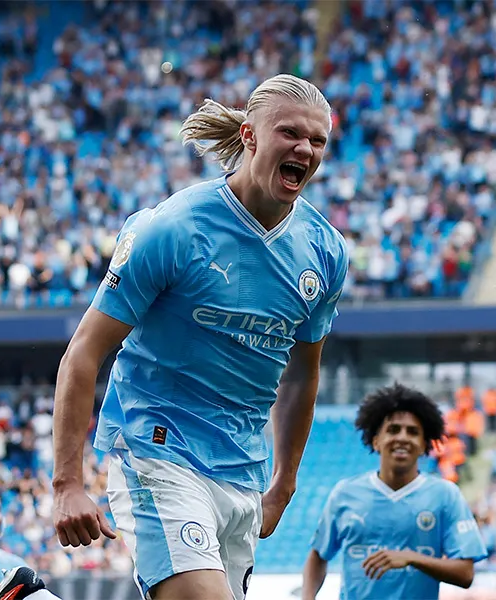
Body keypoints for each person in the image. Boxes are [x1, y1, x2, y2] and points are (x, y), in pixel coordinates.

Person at [47, 73, 348, 600]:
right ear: (250, 135)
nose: (305, 148)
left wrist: (284, 481)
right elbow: (84, 353)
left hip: (244, 473)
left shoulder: (326, 252)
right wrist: (68, 482)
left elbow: (303, 375)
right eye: (290, 133)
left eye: (317, 140)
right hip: (159, 446)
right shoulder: (173, 228)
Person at [302, 384, 488, 600]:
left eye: (413, 432)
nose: (403, 437)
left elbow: (465, 574)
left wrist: (411, 558)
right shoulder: (345, 493)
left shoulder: (445, 494)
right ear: (376, 440)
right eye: (393, 430)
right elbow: (318, 555)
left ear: (423, 445)